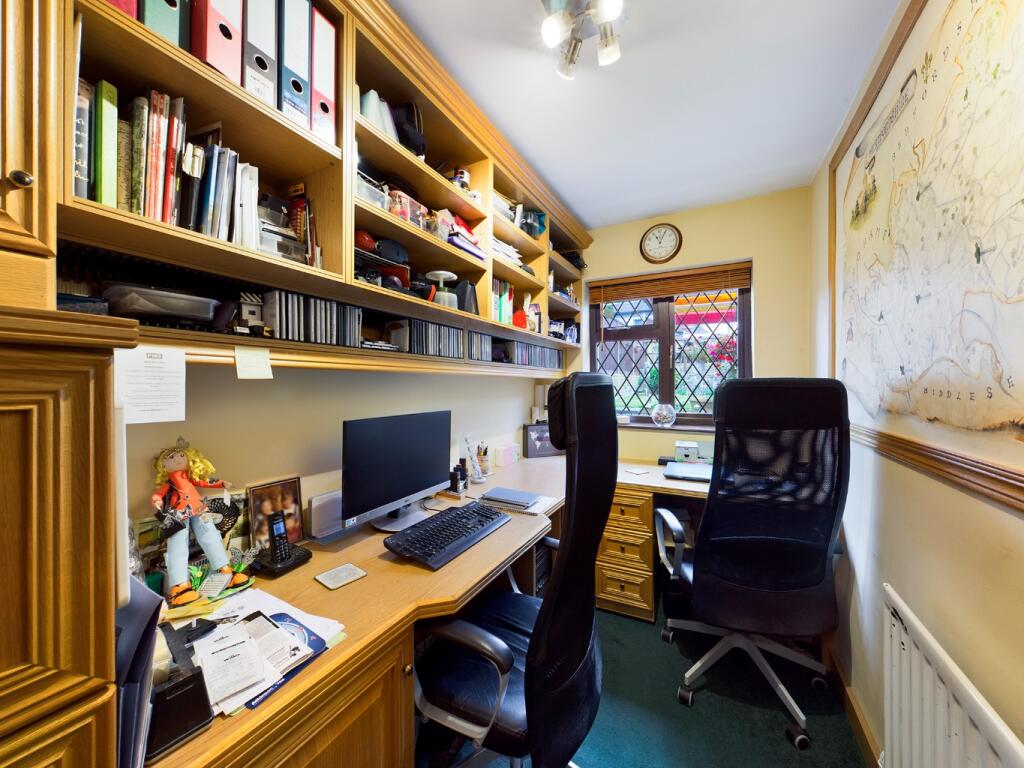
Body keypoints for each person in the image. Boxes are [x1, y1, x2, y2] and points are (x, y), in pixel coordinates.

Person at [152, 437, 251, 607]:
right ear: (163, 464)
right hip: (177, 515)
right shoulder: (169, 483)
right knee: (177, 546)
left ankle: (225, 571)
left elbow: (204, 481)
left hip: (198, 509)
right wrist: (157, 501)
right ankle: (180, 587)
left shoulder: (189, 478)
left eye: (181, 456)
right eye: (171, 457)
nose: (177, 460)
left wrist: (221, 483)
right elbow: (158, 494)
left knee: (211, 536)